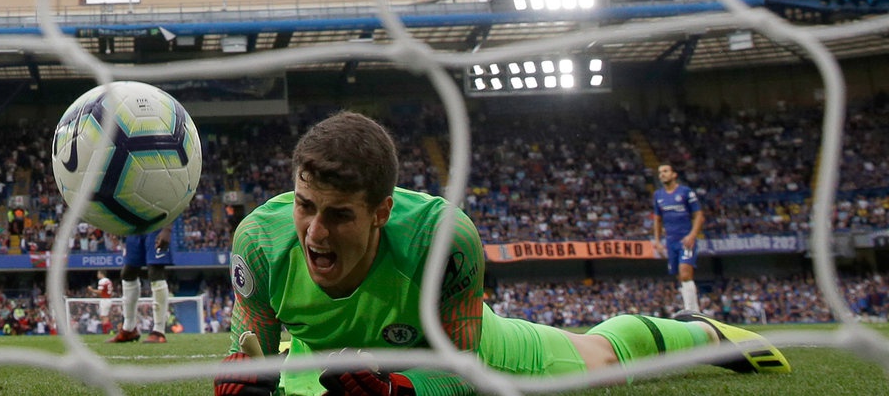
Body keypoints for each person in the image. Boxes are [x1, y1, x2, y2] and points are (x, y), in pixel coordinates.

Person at [213, 112, 790, 396]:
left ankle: (704, 332)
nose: (314, 233)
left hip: (449, 353)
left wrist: (402, 390)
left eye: (338, 215)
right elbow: (252, 350)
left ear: (382, 212)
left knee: (605, 360)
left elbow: (463, 372)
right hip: (326, 364)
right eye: (305, 205)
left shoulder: (444, 241)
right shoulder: (260, 242)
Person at [651, 162, 706, 313]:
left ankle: (692, 310)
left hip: (685, 239)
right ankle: (691, 307)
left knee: (685, 272)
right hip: (670, 241)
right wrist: (657, 241)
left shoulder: (686, 192)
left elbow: (699, 215)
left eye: (665, 171)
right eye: (660, 172)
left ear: (674, 174)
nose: (662, 174)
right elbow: (657, 219)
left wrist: (692, 235)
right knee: (679, 276)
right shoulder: (658, 195)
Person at [106, 225, 172, 344]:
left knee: (155, 271)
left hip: (157, 224)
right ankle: (129, 328)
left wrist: (167, 229)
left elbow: (177, 205)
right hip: (136, 227)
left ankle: (159, 331)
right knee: (128, 273)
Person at [88, 269, 114, 335]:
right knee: (105, 316)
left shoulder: (102, 281)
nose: (97, 275)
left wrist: (92, 290)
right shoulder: (108, 280)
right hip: (108, 299)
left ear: (101, 274)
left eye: (98, 274)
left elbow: (100, 291)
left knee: (103, 317)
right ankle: (108, 331)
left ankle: (109, 331)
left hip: (105, 299)